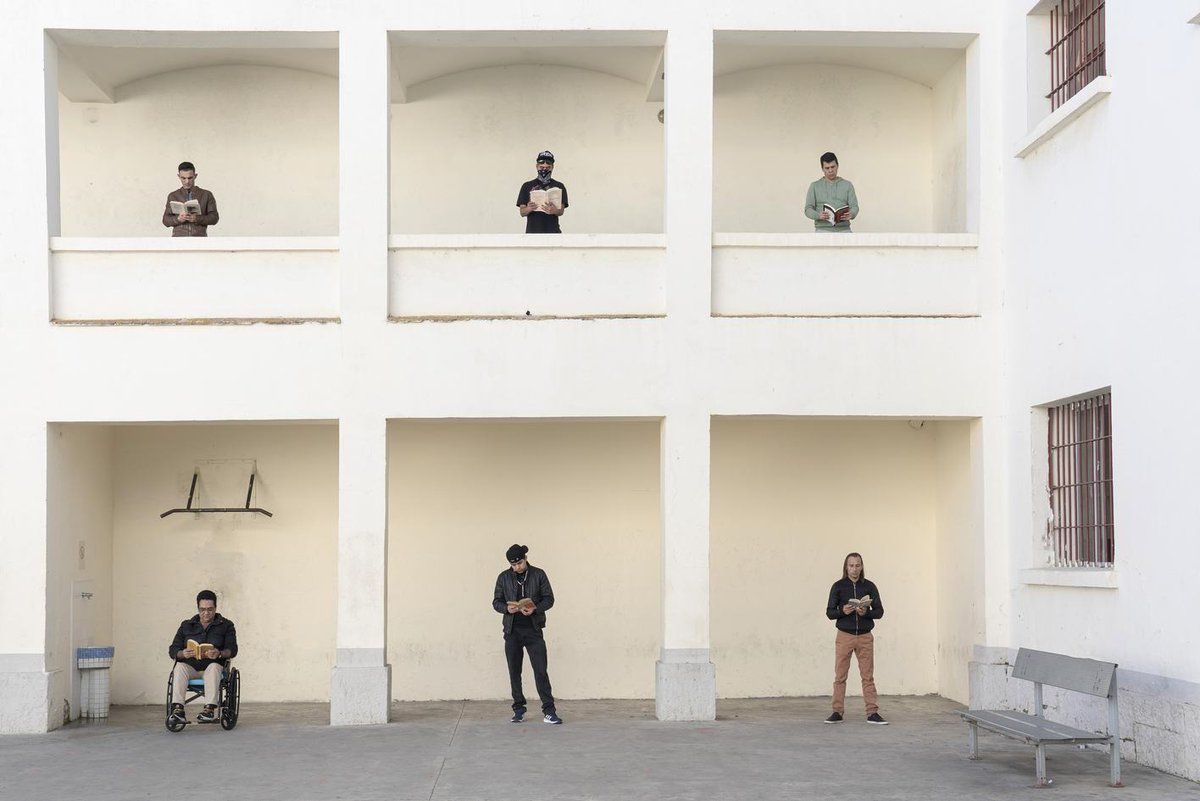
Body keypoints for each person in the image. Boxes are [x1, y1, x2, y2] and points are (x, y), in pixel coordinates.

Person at [491, 544, 562, 723]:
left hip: (533, 630)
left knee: (540, 671)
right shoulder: (503, 577)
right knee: (514, 671)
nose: (517, 567)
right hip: (512, 631)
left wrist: (535, 608)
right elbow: (496, 602)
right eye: (513, 565)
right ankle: (519, 709)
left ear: (525, 559)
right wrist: (507, 608)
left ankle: (549, 710)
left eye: (520, 563)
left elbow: (549, 599)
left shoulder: (538, 574)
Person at [824, 552, 887, 724]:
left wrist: (866, 613)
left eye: (858, 565)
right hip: (844, 636)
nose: (854, 569)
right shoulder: (838, 586)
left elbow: (880, 612)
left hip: (865, 636)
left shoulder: (870, 586)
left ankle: (872, 713)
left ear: (862, 566)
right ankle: (837, 712)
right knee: (840, 676)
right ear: (846, 567)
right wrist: (841, 612)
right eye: (851, 565)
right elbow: (829, 613)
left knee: (868, 676)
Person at [167, 589, 238, 724]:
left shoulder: (226, 625)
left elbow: (233, 649)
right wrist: (182, 653)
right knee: (180, 666)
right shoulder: (186, 625)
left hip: (213, 669)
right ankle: (178, 710)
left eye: (210, 609)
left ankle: (209, 710)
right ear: (198, 608)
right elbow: (173, 649)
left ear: (215, 608)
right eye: (202, 609)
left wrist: (220, 653)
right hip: (191, 668)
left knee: (213, 667)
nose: (206, 613)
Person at [804, 152, 859, 232]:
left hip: (844, 229)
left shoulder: (847, 185)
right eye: (827, 168)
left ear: (837, 166)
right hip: (822, 229)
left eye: (833, 167)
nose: (830, 170)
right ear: (822, 169)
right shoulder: (814, 186)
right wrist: (818, 215)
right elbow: (808, 209)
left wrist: (852, 214)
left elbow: (854, 206)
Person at [516, 151, 568, 234]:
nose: (544, 169)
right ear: (537, 167)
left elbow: (561, 211)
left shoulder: (559, 186)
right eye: (541, 167)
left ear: (552, 167)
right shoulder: (526, 186)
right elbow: (522, 212)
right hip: (533, 233)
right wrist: (529, 208)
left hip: (553, 232)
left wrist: (554, 210)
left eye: (548, 167)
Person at [162, 161, 219, 237]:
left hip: (199, 239)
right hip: (178, 240)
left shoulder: (206, 194)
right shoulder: (173, 196)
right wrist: (178, 219)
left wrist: (197, 219)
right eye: (183, 178)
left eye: (190, 178)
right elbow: (165, 220)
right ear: (179, 176)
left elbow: (214, 218)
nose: (187, 181)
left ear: (195, 176)